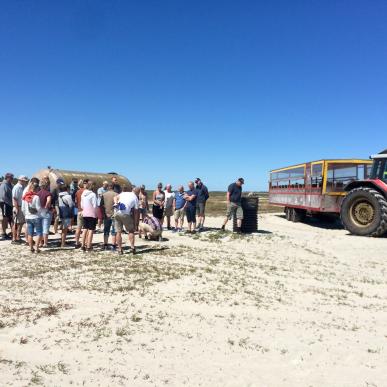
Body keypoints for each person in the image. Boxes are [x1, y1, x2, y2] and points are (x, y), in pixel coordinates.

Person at [114, 185, 139, 255]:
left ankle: (119, 249)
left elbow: (115, 197)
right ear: (137, 192)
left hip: (116, 212)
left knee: (118, 232)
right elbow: (136, 211)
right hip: (125, 214)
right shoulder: (135, 197)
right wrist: (136, 222)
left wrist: (116, 202)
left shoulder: (124, 193)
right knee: (131, 231)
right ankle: (132, 247)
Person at [22, 182, 43, 253]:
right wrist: (41, 212)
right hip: (36, 217)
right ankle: (37, 248)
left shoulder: (25, 197)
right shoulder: (36, 197)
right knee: (39, 233)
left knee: (30, 233)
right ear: (36, 189)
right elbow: (38, 208)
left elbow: (23, 208)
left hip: (28, 217)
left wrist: (26, 215)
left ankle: (31, 248)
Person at [80, 181, 97, 252]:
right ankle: (89, 246)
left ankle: (82, 245)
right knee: (90, 230)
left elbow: (82, 205)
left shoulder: (83, 194)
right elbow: (95, 205)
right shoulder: (93, 194)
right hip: (91, 213)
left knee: (84, 229)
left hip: (85, 213)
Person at [100, 183, 118, 250]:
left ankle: (105, 244)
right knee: (114, 230)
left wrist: (102, 214)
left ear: (108, 187)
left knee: (106, 230)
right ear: (113, 188)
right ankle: (113, 245)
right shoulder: (116, 194)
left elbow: (101, 205)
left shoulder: (104, 195)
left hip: (106, 214)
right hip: (114, 215)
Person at [11, 175, 28, 244]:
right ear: (21, 180)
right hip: (18, 207)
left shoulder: (21, 187)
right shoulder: (17, 187)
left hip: (20, 207)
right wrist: (17, 208)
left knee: (20, 223)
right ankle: (14, 239)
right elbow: (14, 198)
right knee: (16, 223)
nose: (25, 182)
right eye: (24, 181)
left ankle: (18, 237)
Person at [37, 180, 53, 248]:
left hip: (39, 212)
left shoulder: (37, 193)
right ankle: (45, 243)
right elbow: (48, 200)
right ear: (47, 186)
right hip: (46, 212)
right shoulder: (48, 193)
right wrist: (46, 207)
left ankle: (40, 242)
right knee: (46, 228)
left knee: (40, 228)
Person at [0, 173, 14, 239]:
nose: (12, 179)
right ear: (7, 177)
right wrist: (11, 203)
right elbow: (3, 196)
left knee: (9, 218)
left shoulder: (9, 184)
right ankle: (3, 233)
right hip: (5, 203)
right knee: (5, 218)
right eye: (11, 178)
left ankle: (10, 232)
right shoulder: (4, 185)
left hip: (9, 204)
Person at [74, 179, 86, 248]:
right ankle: (85, 243)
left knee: (78, 227)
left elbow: (76, 202)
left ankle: (76, 242)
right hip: (86, 211)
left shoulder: (77, 192)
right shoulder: (86, 191)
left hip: (79, 210)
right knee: (85, 228)